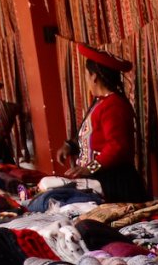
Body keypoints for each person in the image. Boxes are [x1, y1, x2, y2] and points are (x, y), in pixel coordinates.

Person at [58, 43, 147, 202]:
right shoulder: (101, 102)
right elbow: (95, 140)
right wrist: (70, 146)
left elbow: (117, 146)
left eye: (86, 75)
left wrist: (89, 168)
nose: (86, 79)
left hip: (113, 181)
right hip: (102, 178)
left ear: (94, 76)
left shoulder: (113, 105)